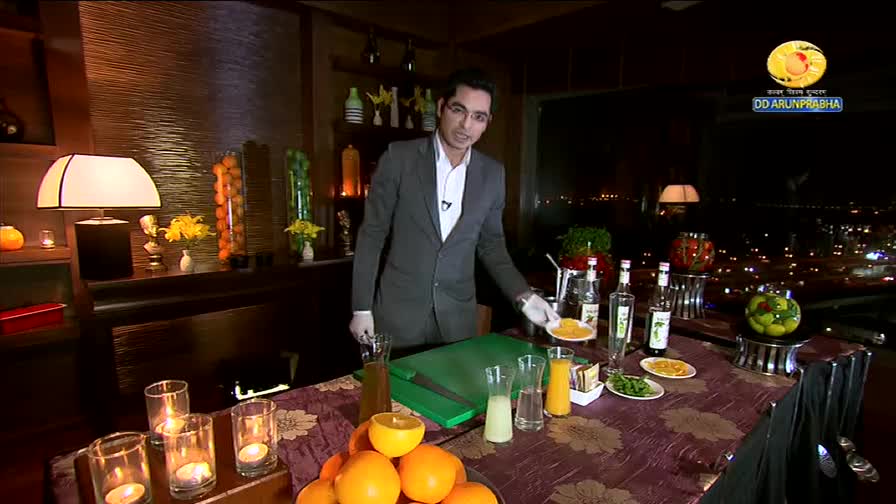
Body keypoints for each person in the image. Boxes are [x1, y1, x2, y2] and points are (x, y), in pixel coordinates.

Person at [349, 67, 558, 352]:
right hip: (398, 318)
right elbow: (372, 235)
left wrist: (525, 297)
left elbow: (492, 247)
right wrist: (361, 308)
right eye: (459, 110)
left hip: (456, 323)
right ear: (441, 107)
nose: (466, 125)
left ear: (487, 123)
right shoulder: (399, 158)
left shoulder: (492, 174)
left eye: (478, 117)